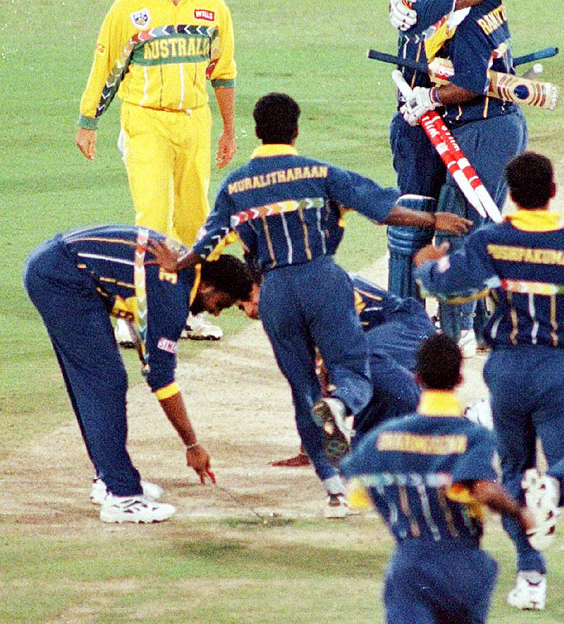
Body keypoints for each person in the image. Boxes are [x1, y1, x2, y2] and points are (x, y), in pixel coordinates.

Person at [149, 92, 471, 519]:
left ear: (258, 131)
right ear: (296, 130)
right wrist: (432, 221)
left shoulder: (236, 185)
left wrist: (181, 261)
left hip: (277, 291)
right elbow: (381, 209)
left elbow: (208, 243)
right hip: (322, 279)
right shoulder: (320, 172)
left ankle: (334, 490)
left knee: (302, 388)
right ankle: (341, 407)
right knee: (350, 369)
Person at [339, 333, 549, 624]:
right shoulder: (474, 436)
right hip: (462, 567)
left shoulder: (383, 437)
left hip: (409, 565)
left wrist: (399, 515)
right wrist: (520, 513)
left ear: (416, 377)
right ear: (459, 378)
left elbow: (358, 483)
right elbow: (479, 487)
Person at [414, 152, 564, 609]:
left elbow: (450, 288)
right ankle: (554, 490)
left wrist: (425, 264)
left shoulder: (491, 242)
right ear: (552, 190)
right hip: (556, 369)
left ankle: (530, 578)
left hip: (506, 372)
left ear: (510, 193)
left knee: (514, 472)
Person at [76, 0, 237, 342]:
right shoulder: (127, 7)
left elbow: (223, 72)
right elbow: (105, 65)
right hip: (145, 119)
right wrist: (88, 120)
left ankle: (183, 311)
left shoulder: (213, 6)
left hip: (194, 122)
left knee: (193, 220)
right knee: (152, 219)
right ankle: (132, 315)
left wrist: (228, 130)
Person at [23, 227, 253, 523]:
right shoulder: (174, 292)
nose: (216, 313)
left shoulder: (182, 269)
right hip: (62, 276)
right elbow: (162, 380)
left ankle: (110, 478)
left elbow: (138, 305)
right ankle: (122, 496)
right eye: (221, 303)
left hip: (57, 266)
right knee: (104, 381)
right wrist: (192, 445)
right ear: (208, 284)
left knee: (97, 380)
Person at [391, 0, 528, 355]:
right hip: (493, 127)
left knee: (460, 229)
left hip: (483, 129)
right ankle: (484, 326)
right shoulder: (480, 4)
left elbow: (469, 83)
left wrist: (430, 98)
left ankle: (459, 331)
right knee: (472, 226)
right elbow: (434, 8)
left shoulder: (467, 21)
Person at [235, 269, 438, 468]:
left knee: (359, 365)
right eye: (240, 308)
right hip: (379, 346)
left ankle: (447, 418)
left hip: (406, 328)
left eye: (247, 297)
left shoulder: (308, 289)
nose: (249, 311)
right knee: (361, 461)